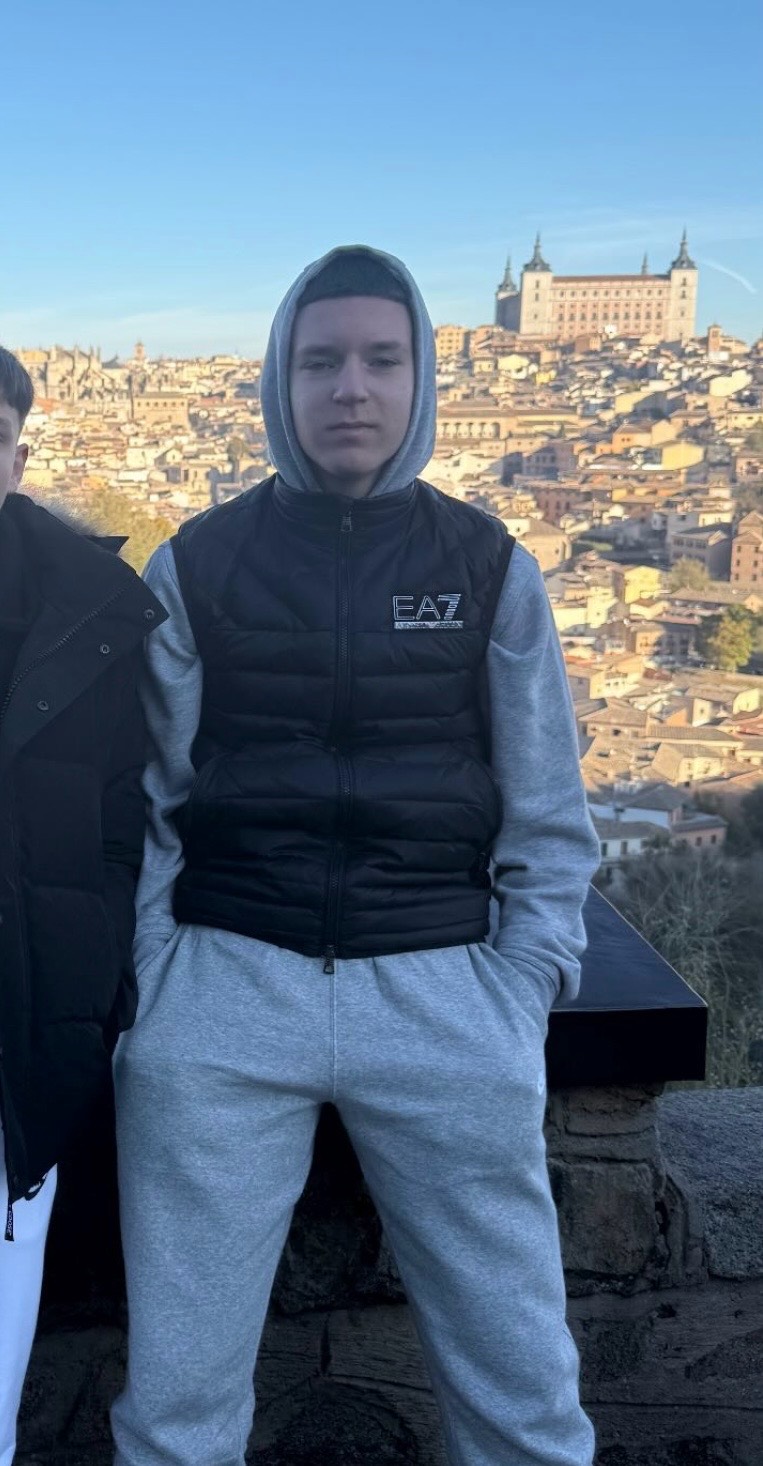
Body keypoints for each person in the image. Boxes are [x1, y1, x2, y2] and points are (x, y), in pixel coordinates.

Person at [112, 246, 601, 1466]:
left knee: (525, 1401)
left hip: (444, 990)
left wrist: (518, 988)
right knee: (174, 1410)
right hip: (225, 987)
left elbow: (547, 805)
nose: (350, 388)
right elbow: (154, 796)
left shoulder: (488, 565)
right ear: (277, 379)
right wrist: (161, 979)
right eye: (319, 360)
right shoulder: (194, 561)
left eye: (382, 359)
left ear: (423, 377)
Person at [0, 346, 167, 1466]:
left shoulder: (90, 614)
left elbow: (127, 818)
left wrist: (89, 972)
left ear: (19, 454)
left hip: (20, 1058)